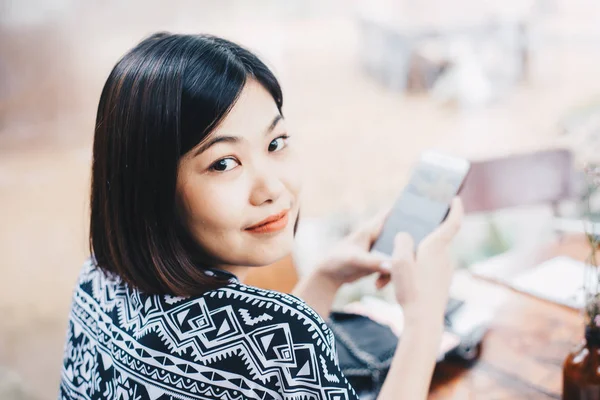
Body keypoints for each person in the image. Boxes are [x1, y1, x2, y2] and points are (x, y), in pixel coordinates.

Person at [59, 32, 463, 400]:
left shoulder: (98, 278)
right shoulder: (279, 338)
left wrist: (324, 278)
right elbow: (267, 367)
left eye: (276, 142)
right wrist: (425, 320)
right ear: (151, 188)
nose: (271, 188)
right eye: (223, 163)